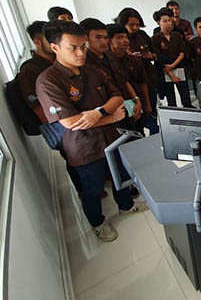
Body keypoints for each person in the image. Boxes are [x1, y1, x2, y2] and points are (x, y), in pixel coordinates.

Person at [35, 20, 148, 242]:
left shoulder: (92, 71)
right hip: (83, 147)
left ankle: (126, 205)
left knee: (120, 176)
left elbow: (117, 96)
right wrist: (110, 117)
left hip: (112, 139)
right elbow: (70, 122)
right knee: (93, 189)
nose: (80, 53)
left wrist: (97, 113)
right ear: (55, 47)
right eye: (73, 48)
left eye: (83, 47)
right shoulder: (48, 81)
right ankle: (98, 222)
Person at [18, 21, 85, 195]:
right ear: (37, 42)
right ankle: (83, 191)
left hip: (77, 117)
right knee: (72, 158)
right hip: (60, 123)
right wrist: (57, 129)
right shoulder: (31, 70)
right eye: (48, 40)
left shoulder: (62, 63)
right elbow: (36, 105)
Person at [80, 18, 143, 124]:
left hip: (128, 105)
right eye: (98, 37)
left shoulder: (110, 56)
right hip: (108, 114)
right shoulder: (84, 63)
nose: (103, 42)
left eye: (105, 37)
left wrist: (137, 100)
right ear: (85, 39)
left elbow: (125, 80)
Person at [107, 23, 156, 134]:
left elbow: (142, 82)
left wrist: (147, 104)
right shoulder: (107, 63)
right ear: (109, 41)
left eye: (126, 37)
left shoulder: (134, 60)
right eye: (119, 37)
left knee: (139, 132)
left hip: (136, 104)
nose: (125, 40)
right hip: (118, 107)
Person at [116, 7, 159, 132]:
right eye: (131, 25)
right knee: (134, 118)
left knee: (150, 111)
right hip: (129, 85)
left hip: (147, 78)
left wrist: (149, 56)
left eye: (137, 25)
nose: (135, 28)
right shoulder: (117, 39)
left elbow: (156, 54)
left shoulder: (142, 35)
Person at [151, 8, 192, 108]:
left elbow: (182, 53)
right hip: (165, 71)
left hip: (179, 67)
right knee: (171, 100)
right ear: (158, 23)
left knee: (186, 98)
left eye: (169, 20)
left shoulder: (177, 35)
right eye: (165, 21)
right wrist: (170, 73)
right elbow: (158, 57)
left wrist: (172, 66)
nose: (168, 23)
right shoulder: (155, 38)